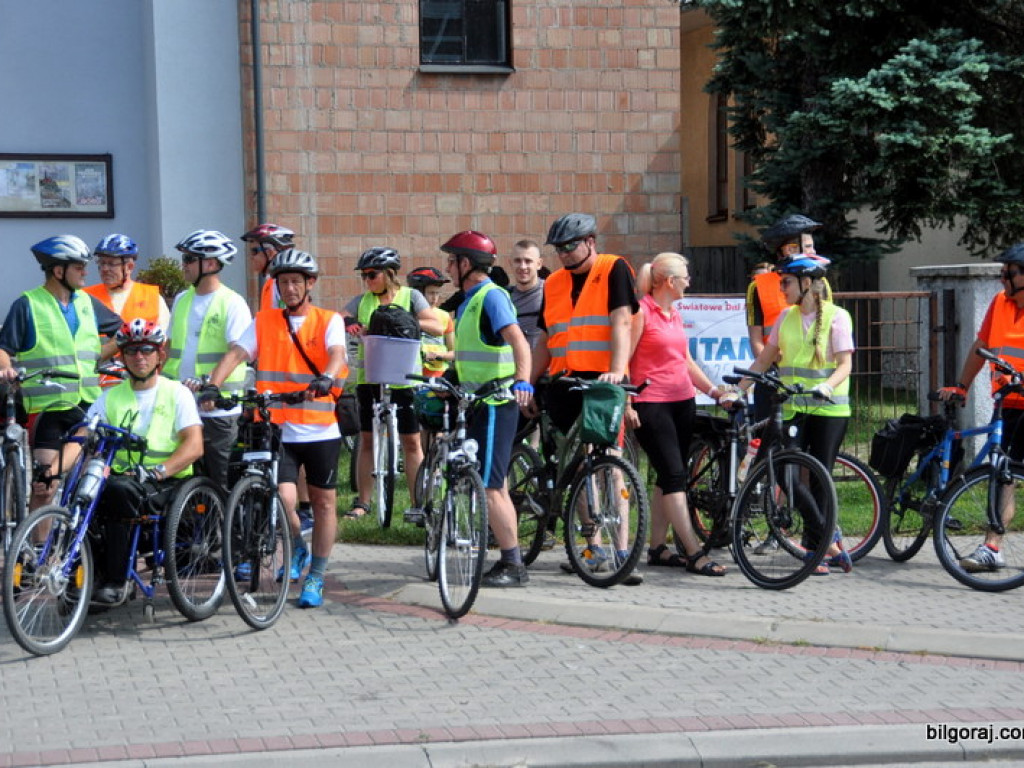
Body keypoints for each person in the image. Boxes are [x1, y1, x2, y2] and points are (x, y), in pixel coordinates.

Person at [205, 249, 347, 608]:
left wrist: (326, 376)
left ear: (310, 284)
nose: (290, 288)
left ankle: (316, 576)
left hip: (320, 429)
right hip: (277, 428)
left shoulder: (328, 320)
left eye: (296, 281)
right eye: (284, 282)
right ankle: (297, 546)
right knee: (282, 499)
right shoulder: (264, 321)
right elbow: (237, 353)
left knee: (324, 504)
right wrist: (213, 385)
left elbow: (337, 354)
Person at [52, 319, 203, 604]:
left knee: (117, 492)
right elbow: (81, 438)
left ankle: (117, 580)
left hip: (166, 481)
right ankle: (84, 577)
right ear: (122, 357)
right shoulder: (110, 397)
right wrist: (51, 472)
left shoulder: (177, 393)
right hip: (124, 478)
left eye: (147, 350)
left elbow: (194, 445)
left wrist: (159, 471)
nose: (139, 356)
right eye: (131, 351)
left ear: (160, 355)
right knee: (82, 493)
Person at [528, 213, 642, 585]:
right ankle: (592, 548)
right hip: (564, 382)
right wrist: (528, 382)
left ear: (590, 241)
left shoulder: (613, 269)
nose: (563, 254)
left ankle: (622, 552)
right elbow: (545, 338)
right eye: (558, 248)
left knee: (611, 463)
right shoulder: (553, 282)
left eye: (569, 246)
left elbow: (623, 320)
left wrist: (618, 370)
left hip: (602, 380)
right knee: (577, 467)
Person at [739, 255, 854, 574]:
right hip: (794, 409)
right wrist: (739, 390)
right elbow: (764, 360)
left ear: (806, 284)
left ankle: (815, 552)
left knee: (820, 477)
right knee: (787, 476)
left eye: (786, 283)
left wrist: (827, 386)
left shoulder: (838, 317)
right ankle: (828, 541)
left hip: (829, 409)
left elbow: (845, 364)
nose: (782, 289)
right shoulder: (786, 317)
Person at [0, 235, 122, 511]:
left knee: (88, 486)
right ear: (58, 271)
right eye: (79, 267)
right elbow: (4, 348)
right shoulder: (28, 304)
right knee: (45, 486)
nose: (86, 272)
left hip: (88, 404)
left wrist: (99, 356)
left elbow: (123, 332)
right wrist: (5, 368)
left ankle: (79, 538)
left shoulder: (87, 303)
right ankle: (34, 539)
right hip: (48, 409)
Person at [626, 253, 728, 576]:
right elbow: (623, 359)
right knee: (674, 476)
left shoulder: (674, 315)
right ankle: (694, 552)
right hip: (651, 404)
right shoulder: (642, 311)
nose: (689, 281)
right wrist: (626, 402)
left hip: (682, 402)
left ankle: (657, 547)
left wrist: (714, 392)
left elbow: (686, 361)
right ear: (670, 281)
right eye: (685, 276)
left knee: (667, 475)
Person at [442, 230, 533, 587]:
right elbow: (476, 351)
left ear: (466, 263)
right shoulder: (469, 300)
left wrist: (523, 380)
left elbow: (518, 342)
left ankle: (513, 564)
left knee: (492, 488)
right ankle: (509, 558)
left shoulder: (491, 297)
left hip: (496, 402)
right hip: (477, 402)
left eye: (451, 261)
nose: (448, 268)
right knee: (496, 485)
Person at [938, 242, 1024, 572]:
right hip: (1007, 405)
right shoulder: (1000, 302)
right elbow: (981, 345)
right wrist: (962, 385)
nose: (1002, 278)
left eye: (1008, 272)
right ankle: (992, 547)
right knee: (1004, 475)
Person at [342, 247, 443, 519]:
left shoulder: (412, 296)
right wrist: (350, 322)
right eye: (364, 275)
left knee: (411, 442)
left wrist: (407, 320)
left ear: (389, 274)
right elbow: (339, 317)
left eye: (372, 274)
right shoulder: (363, 300)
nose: (367, 280)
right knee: (367, 440)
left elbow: (437, 326)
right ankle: (363, 503)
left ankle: (417, 504)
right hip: (370, 380)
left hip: (404, 380)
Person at [240, 222, 314, 534]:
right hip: (277, 378)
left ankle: (303, 511)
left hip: (289, 381)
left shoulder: (277, 287)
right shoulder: (270, 285)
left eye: (254, 251)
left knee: (292, 448)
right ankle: (299, 509)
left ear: (270, 251)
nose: (251, 258)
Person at [163, 230, 251, 488]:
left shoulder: (232, 303)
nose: (183, 265)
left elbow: (237, 353)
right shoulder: (182, 299)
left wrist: (212, 387)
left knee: (219, 479)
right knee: (183, 479)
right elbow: (169, 347)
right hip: (182, 403)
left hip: (218, 407)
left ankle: (225, 515)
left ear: (210, 264)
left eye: (189, 259)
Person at [746, 214, 828, 421]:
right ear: (790, 250)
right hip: (772, 376)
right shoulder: (758, 286)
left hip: (809, 379)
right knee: (767, 435)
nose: (813, 252)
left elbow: (825, 327)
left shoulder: (820, 282)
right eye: (808, 247)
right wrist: (768, 370)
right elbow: (756, 338)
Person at [84, 234, 170, 335]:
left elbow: (166, 337)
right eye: (102, 263)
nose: (105, 269)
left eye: (111, 264)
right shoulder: (85, 297)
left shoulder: (152, 298)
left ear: (129, 267)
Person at [407, 266, 455, 378]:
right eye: (431, 293)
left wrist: (439, 356)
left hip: (438, 377)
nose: (435, 298)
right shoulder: (405, 315)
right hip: (412, 375)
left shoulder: (444, 316)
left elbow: (454, 352)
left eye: (437, 293)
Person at [240, 222, 295, 310]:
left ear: (269, 253)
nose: (251, 257)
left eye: (254, 252)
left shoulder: (280, 285)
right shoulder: (271, 282)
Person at [507, 239, 545, 351]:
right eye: (517, 261)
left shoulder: (551, 292)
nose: (523, 266)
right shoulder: (505, 298)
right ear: (510, 263)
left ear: (539, 264)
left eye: (528, 261)